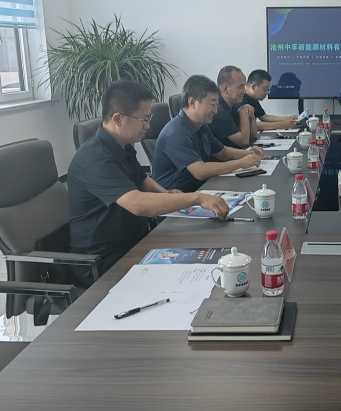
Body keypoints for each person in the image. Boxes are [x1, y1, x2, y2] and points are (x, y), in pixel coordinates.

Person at [67, 80, 229, 287]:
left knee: (208, 252)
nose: (148, 126)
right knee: (194, 279)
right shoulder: (95, 160)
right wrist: (196, 198)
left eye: (148, 118)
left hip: (135, 239)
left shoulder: (122, 145)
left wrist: (168, 195)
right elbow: (137, 204)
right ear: (118, 118)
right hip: (105, 259)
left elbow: (141, 179)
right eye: (143, 119)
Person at [152, 75, 264, 192]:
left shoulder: (201, 126)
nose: (215, 111)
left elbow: (222, 152)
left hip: (200, 188)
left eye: (216, 105)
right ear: (192, 102)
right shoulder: (175, 133)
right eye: (212, 105)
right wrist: (240, 163)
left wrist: (248, 153)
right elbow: (200, 171)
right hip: (178, 196)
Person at [209, 65, 259, 148]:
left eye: (244, 86)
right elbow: (244, 142)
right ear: (225, 88)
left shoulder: (235, 105)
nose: (244, 91)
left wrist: (251, 115)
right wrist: (244, 113)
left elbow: (253, 137)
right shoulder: (218, 111)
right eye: (240, 86)